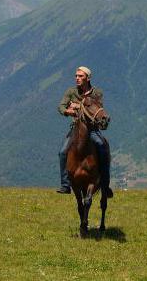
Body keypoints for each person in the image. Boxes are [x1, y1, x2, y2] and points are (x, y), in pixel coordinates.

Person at [56, 66, 112, 197]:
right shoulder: (71, 91)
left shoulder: (96, 93)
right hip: (77, 129)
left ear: (88, 78)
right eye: (76, 76)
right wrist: (67, 110)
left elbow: (98, 107)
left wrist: (77, 105)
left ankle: (105, 184)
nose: (77, 78)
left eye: (80, 76)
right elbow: (61, 106)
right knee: (63, 152)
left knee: (103, 149)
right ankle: (65, 184)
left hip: (92, 129)